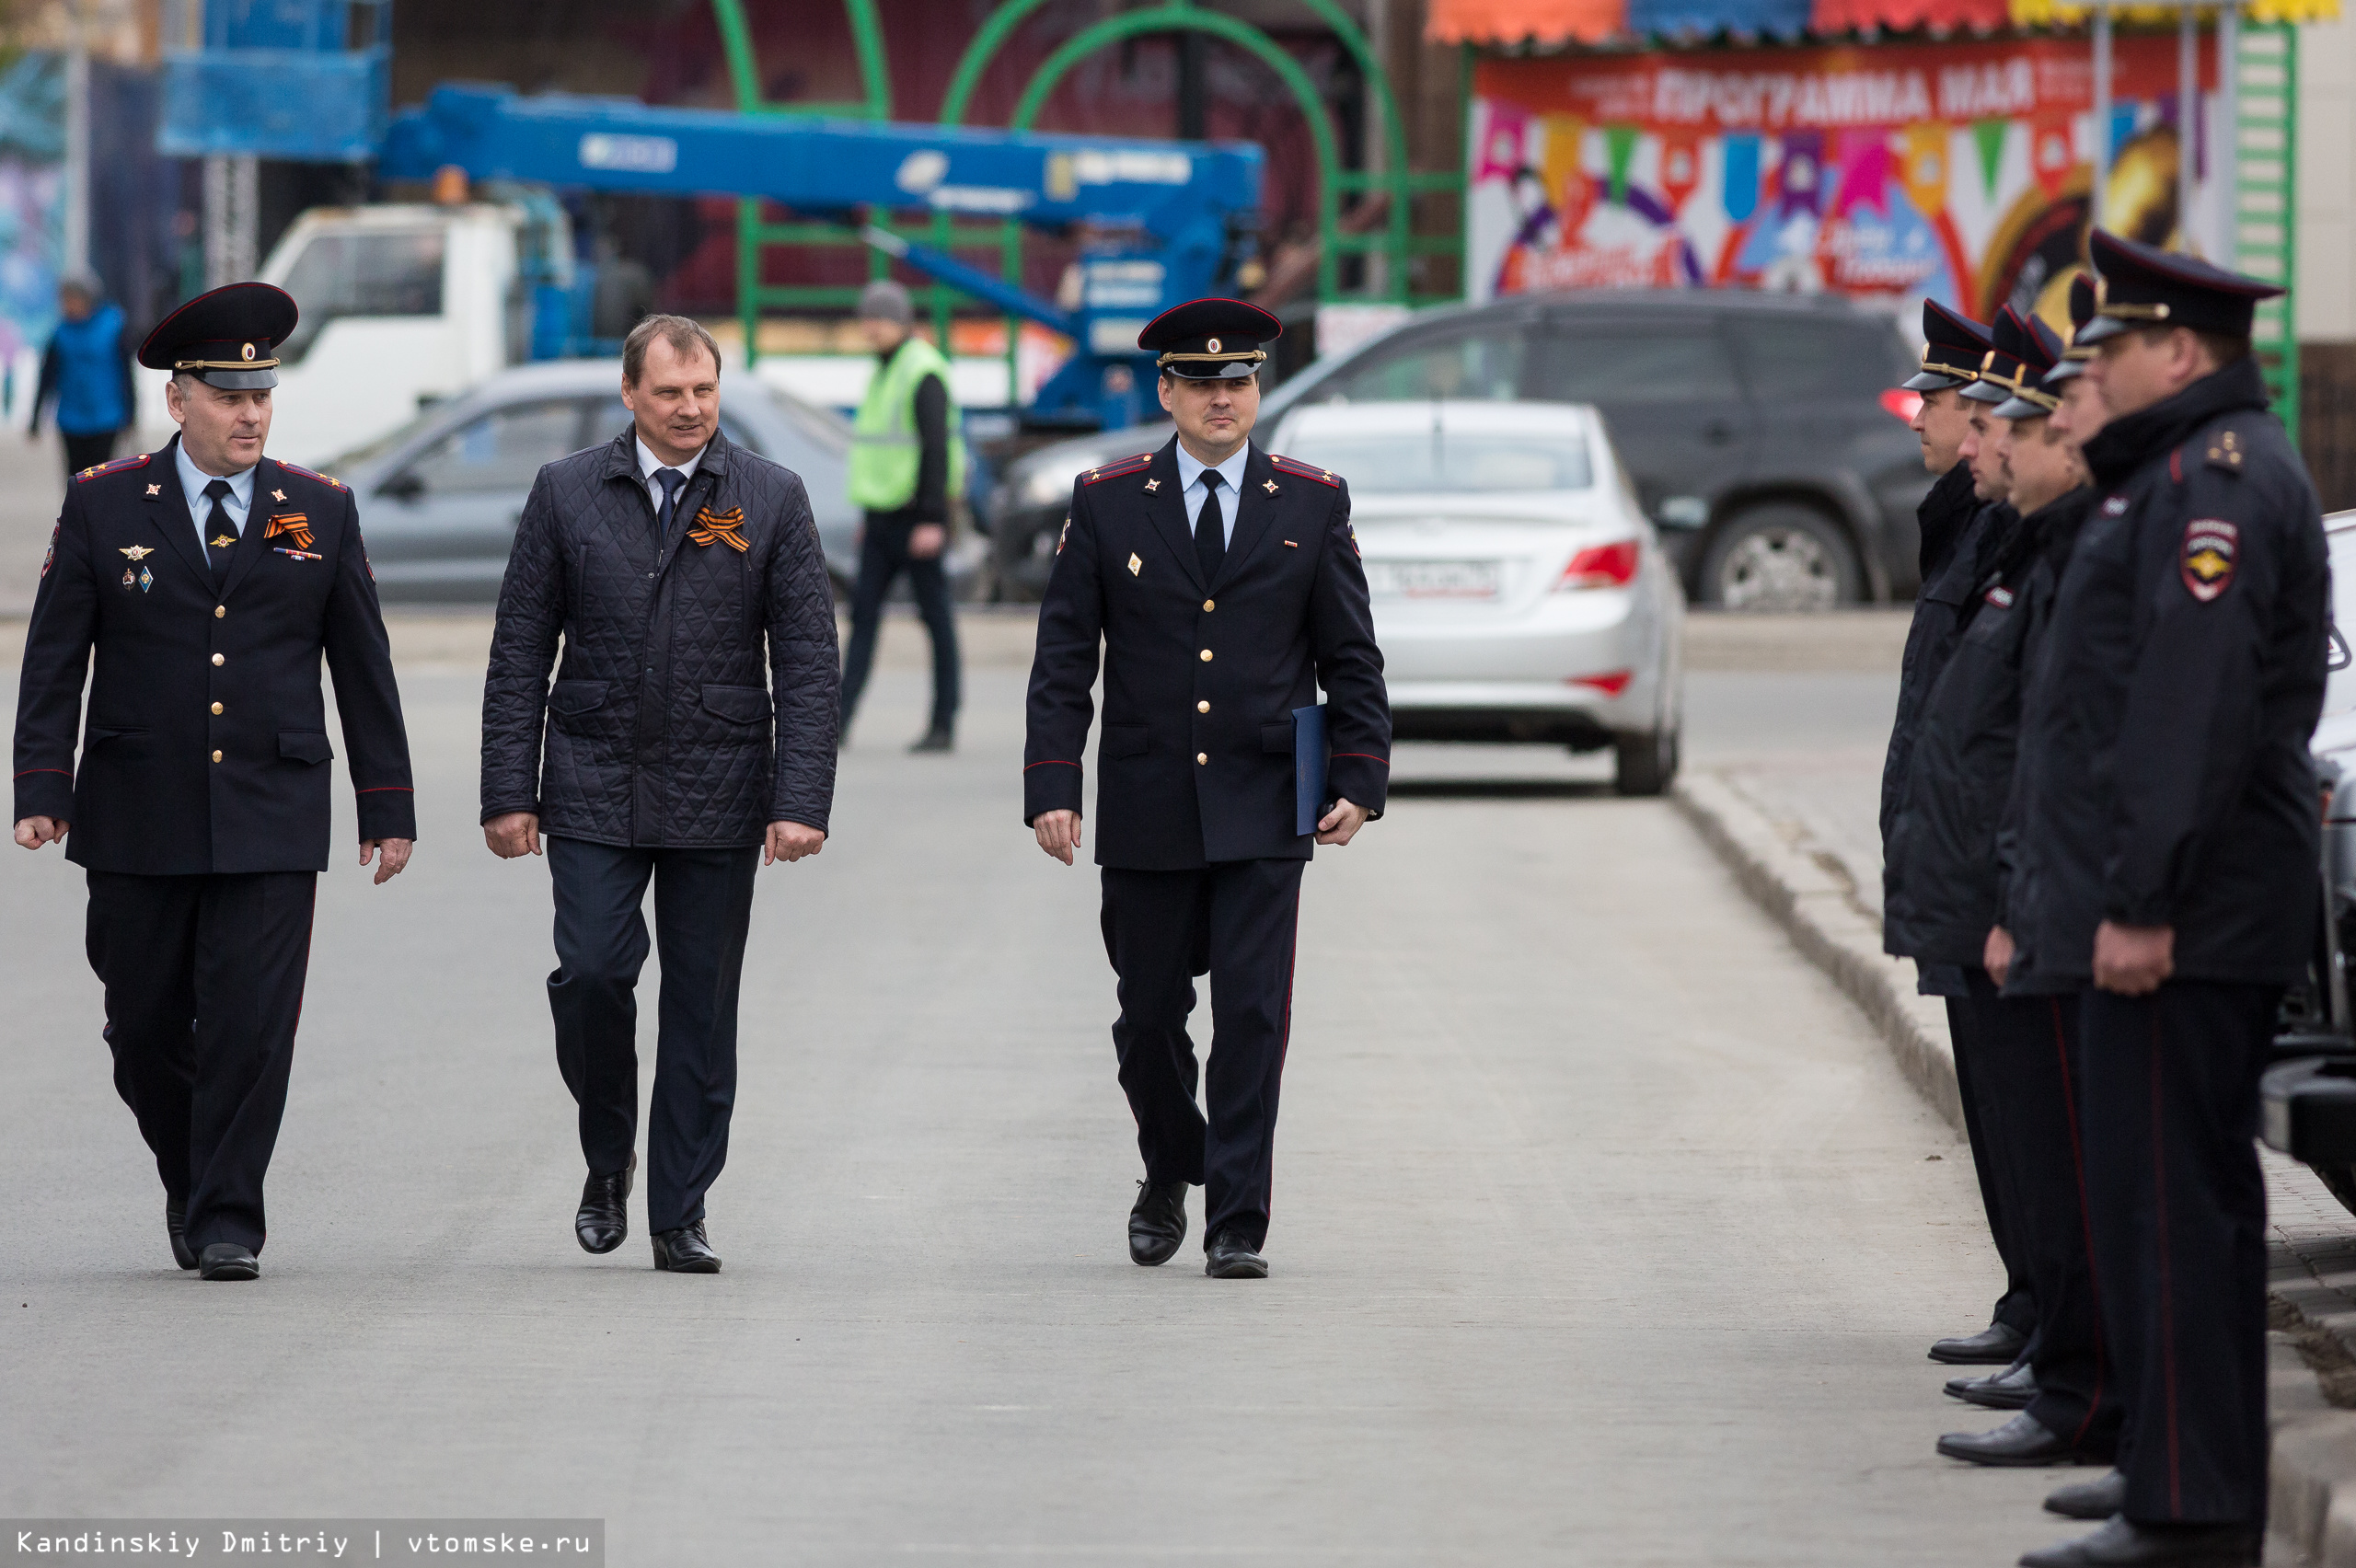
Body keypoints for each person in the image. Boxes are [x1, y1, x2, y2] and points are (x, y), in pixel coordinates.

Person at [2010, 231, 2327, 1568]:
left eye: (2116, 347)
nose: (2098, 370)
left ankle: (2193, 1515)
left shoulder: (2219, 488)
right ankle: (2167, 1475)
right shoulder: (2165, 480)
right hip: (2151, 912)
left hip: (2184, 922)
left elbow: (2184, 717)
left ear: (2180, 353)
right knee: (2149, 1206)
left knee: (2176, 1209)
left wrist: (2138, 903)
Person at [11, 281, 416, 1282]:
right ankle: (191, 1175)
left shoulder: (319, 509)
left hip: (274, 809)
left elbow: (362, 662)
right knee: (142, 1023)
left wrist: (388, 804)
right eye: (229, 396)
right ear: (178, 400)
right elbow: (56, 655)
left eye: (262, 395)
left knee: (249, 1023)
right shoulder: (106, 504)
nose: (251, 414)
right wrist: (39, 782)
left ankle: (229, 1216)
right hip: (137, 805)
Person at [1022, 298, 1390, 1279]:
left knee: (1253, 1016)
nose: (1220, 400)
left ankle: (1236, 1218)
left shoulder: (1311, 503)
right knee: (1147, 1015)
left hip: (1267, 800)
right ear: (1167, 392)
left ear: (1257, 391)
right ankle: (1169, 1161)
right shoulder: (1106, 500)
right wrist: (1052, 780)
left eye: (1236, 383)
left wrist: (1360, 774)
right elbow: (1065, 654)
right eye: (1200, 384)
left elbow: (1351, 656)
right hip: (1147, 800)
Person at [480, 314, 838, 1274]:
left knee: (700, 1004)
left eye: (705, 392)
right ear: (631, 395)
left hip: (721, 783)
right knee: (593, 973)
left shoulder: (770, 495)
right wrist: (508, 792)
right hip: (592, 771)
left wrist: (800, 797)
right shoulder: (565, 493)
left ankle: (680, 1209)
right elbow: (520, 648)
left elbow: (806, 660)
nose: (690, 410)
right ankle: (609, 1157)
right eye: (671, 393)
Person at [1894, 308, 2124, 1472]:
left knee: (2060, 1138)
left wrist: (2006, 891)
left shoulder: (2060, 540)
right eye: (1969, 418)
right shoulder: (1993, 533)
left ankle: (2071, 1355)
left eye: (1990, 421)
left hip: (2032, 895)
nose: (1973, 440)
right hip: (1987, 884)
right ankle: (2043, 1320)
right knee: (2015, 1120)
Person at [1883, 299, 2036, 1369]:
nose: (1928, 424)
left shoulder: (2018, 529)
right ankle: (2032, 1299)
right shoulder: (1971, 517)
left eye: (1939, 404)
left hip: (2004, 882)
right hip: (1964, 872)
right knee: (1996, 1107)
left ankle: (2050, 1314)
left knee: (2033, 1117)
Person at [838, 279, 964, 753]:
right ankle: (839, 722)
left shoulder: (922, 371)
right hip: (881, 517)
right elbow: (879, 452)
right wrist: (867, 512)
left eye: (878, 319)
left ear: (900, 321)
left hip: (917, 518)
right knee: (863, 617)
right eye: (866, 318)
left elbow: (937, 449)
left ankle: (943, 722)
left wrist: (933, 518)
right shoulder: (883, 370)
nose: (869, 327)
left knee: (936, 620)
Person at [32, 271, 136, 481]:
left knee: (101, 477)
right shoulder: (60, 332)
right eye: (64, 299)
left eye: (72, 298)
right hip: (71, 419)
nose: (67, 305)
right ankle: (75, 515)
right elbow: (47, 377)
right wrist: (36, 416)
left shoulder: (113, 326)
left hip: (106, 417)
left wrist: (132, 414)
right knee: (75, 478)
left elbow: (127, 375)